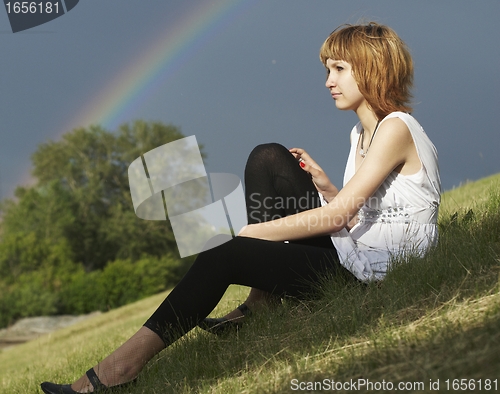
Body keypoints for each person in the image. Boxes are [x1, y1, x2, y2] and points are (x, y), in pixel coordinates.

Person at [41, 22, 440, 393]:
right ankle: (260, 303)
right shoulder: (362, 133)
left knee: (224, 251)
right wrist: (329, 188)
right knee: (268, 157)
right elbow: (360, 215)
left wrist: (251, 235)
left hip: (377, 271)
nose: (328, 81)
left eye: (338, 68)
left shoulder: (396, 127)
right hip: (359, 255)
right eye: (327, 69)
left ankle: (115, 372)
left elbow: (338, 220)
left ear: (371, 68)